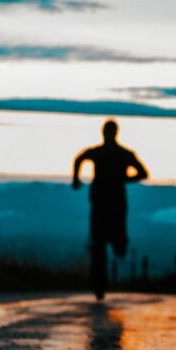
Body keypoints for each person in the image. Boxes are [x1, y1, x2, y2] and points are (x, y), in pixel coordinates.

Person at [72, 119, 149, 300]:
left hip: (102, 202)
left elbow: (79, 158)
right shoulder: (124, 154)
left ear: (103, 132)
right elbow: (142, 173)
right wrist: (123, 178)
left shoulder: (100, 152)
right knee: (103, 242)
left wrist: (76, 179)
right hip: (113, 202)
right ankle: (100, 284)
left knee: (100, 242)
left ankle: (100, 282)